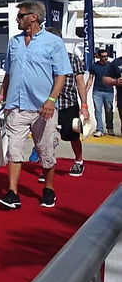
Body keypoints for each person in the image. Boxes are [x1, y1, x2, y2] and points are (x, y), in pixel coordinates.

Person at [0, 1, 70, 209]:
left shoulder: (53, 42)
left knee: (46, 152)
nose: (17, 19)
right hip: (16, 106)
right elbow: (9, 72)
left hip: (43, 109)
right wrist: (1, 95)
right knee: (14, 150)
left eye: (20, 16)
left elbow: (61, 74)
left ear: (33, 17)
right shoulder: (14, 42)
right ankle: (12, 193)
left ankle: (49, 189)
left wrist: (51, 100)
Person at [47, 28, 89, 178]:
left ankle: (79, 161)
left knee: (72, 136)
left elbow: (80, 83)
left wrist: (84, 106)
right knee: (47, 137)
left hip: (68, 103)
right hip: (49, 105)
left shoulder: (72, 59)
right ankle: (47, 165)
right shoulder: (44, 59)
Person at [87, 49, 114, 137]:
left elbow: (116, 78)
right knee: (98, 110)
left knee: (109, 110)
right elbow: (90, 78)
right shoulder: (94, 66)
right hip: (97, 91)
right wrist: (86, 89)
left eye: (106, 56)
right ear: (98, 57)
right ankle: (100, 129)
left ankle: (110, 127)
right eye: (103, 56)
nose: (105, 58)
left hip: (109, 91)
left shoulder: (111, 66)